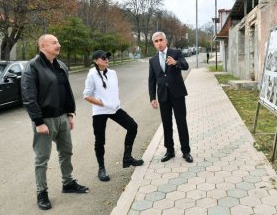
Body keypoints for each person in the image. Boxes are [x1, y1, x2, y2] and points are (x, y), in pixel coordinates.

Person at [21, 34, 88, 211]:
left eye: (58, 41)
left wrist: (70, 114)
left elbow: (66, 91)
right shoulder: (32, 67)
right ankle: (41, 192)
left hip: (62, 118)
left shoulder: (61, 66)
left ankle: (68, 183)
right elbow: (28, 97)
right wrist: (38, 121)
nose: (59, 44)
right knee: (42, 158)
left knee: (66, 151)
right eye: (54, 42)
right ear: (43, 45)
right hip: (45, 121)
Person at [83, 50, 144, 182]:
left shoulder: (113, 73)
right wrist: (102, 103)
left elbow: (114, 90)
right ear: (96, 60)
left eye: (107, 57)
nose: (107, 59)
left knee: (132, 126)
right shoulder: (92, 74)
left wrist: (114, 102)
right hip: (100, 111)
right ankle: (101, 168)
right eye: (103, 58)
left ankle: (127, 157)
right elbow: (86, 95)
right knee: (100, 141)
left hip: (115, 109)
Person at [148, 31, 193, 163]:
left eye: (161, 40)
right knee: (167, 124)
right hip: (163, 96)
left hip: (177, 94)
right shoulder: (153, 60)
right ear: (154, 44)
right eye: (156, 41)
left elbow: (185, 66)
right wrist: (152, 97)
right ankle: (170, 151)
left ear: (166, 41)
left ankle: (186, 151)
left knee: (181, 123)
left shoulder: (176, 53)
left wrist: (175, 63)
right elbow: (151, 80)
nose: (159, 43)